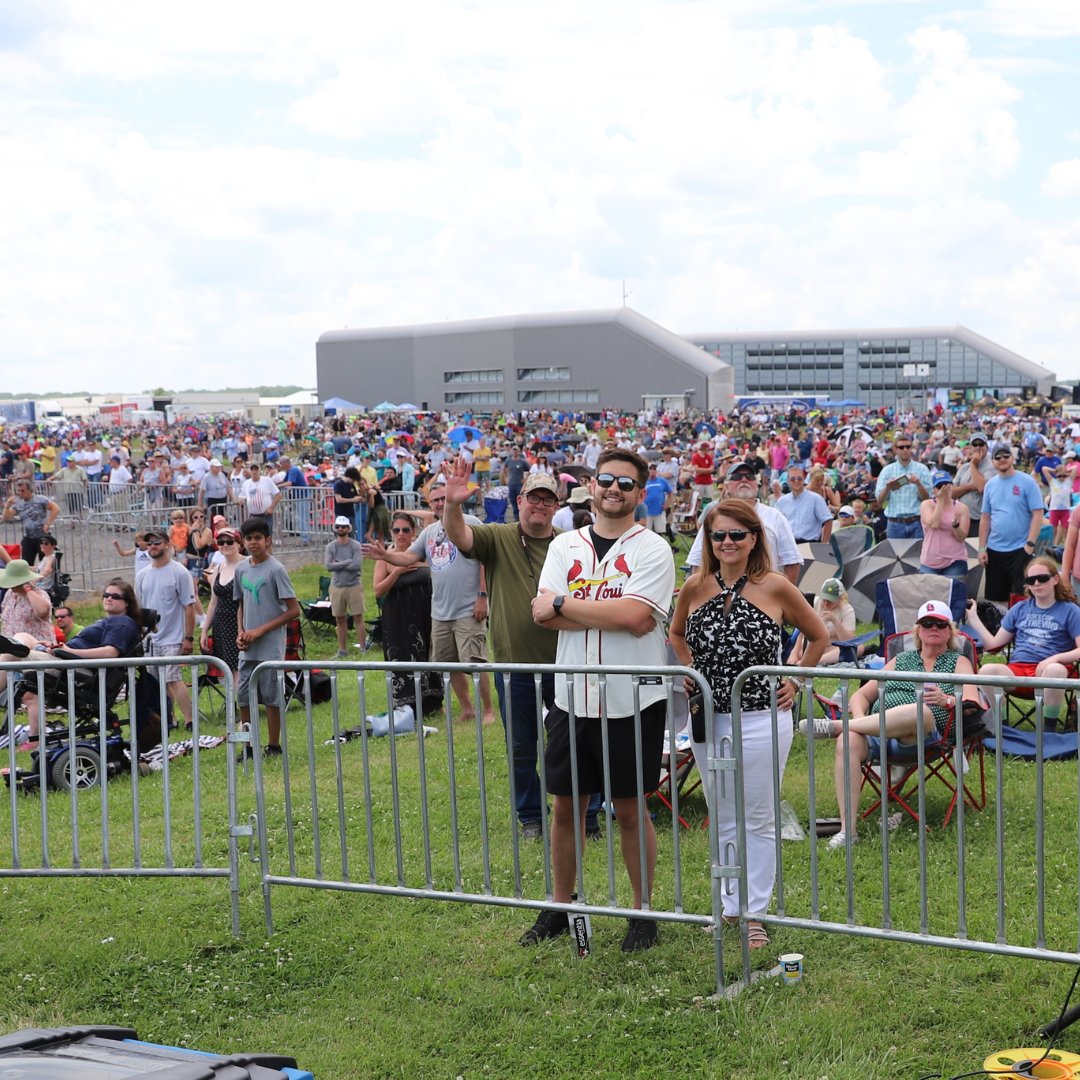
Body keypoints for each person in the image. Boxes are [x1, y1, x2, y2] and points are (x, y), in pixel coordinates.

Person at [524, 448, 675, 953]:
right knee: (565, 807)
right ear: (591, 484)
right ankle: (561, 906)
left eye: (626, 484)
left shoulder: (653, 548)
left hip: (632, 697)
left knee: (631, 810)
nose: (614, 489)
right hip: (570, 695)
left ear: (640, 493)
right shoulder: (565, 545)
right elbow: (540, 616)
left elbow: (638, 620)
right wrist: (602, 611)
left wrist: (567, 603)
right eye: (606, 480)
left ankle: (642, 911)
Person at [670, 498, 827, 948]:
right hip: (709, 718)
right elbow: (677, 634)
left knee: (757, 816)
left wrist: (796, 680)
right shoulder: (695, 586)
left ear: (755, 538)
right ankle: (728, 907)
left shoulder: (776, 586)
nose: (727, 542)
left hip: (763, 717)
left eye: (737, 534)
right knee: (722, 814)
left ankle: (754, 911)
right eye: (718, 535)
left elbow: (818, 636)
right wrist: (690, 672)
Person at [441, 461, 604, 843]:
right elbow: (460, 536)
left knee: (581, 743)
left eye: (548, 500)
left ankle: (590, 814)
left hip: (569, 664)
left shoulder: (571, 542)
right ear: (520, 500)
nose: (540, 506)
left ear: (556, 504)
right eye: (534, 498)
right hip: (515, 666)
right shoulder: (498, 537)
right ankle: (530, 815)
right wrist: (451, 504)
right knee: (521, 745)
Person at [802, 599, 980, 849]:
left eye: (940, 624)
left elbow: (971, 700)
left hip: (922, 738)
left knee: (920, 711)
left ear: (950, 630)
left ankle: (839, 726)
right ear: (918, 630)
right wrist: (859, 718)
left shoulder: (958, 662)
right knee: (848, 740)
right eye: (926, 623)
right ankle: (847, 831)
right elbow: (861, 695)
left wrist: (947, 699)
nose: (933, 628)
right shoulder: (901, 660)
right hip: (878, 736)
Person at [364, 481, 495, 724]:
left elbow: (484, 561)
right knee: (449, 665)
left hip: (468, 607)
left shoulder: (472, 524)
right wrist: (385, 555)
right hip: (440, 612)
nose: (439, 503)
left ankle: (488, 711)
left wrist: (482, 596)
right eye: (434, 500)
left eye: (443, 498)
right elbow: (408, 557)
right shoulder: (429, 532)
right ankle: (468, 709)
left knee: (476, 663)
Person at [7, 578, 144, 747]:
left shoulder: (121, 622)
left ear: (127, 603)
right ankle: (24, 648)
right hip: (65, 659)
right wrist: (56, 647)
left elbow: (111, 652)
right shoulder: (109, 621)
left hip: (74, 668)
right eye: (106, 594)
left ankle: (18, 651)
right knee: (22, 637)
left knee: (10, 654)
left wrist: (69, 651)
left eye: (115, 596)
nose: (108, 598)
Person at [965, 556, 1080, 732]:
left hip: (1053, 673)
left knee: (1054, 670)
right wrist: (973, 618)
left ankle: (1048, 731)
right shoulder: (1020, 608)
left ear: (1055, 579)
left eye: (1042, 578)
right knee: (987, 671)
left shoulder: (1070, 610)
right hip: (1018, 671)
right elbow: (993, 646)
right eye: (1030, 580)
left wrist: (1052, 660)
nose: (1036, 584)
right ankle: (1002, 730)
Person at [233, 517, 300, 759]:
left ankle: (273, 745)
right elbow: (240, 602)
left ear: (268, 540)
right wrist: (241, 631)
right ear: (243, 541)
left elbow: (293, 610)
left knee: (271, 697)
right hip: (247, 646)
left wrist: (261, 630)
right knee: (243, 696)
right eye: (249, 538)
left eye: (258, 538)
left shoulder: (276, 570)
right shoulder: (241, 569)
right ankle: (248, 746)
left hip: (270, 647)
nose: (253, 543)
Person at [687, 460, 803, 583]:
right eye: (736, 477)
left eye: (749, 476)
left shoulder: (774, 517)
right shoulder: (715, 516)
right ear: (727, 486)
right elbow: (698, 562)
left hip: (764, 595)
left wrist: (782, 599)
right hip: (723, 595)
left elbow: (791, 562)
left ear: (756, 484)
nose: (744, 480)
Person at [372, 512, 442, 713]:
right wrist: (397, 572)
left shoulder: (423, 553)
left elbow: (431, 515)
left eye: (405, 529)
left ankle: (434, 702)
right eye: (396, 530)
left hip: (425, 611)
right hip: (398, 615)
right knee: (402, 657)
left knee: (429, 653)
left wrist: (406, 511)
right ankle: (406, 703)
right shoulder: (386, 556)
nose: (401, 534)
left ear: (413, 532)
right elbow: (377, 590)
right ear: (391, 533)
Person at [135, 527, 197, 731]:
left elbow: (189, 606)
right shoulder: (142, 575)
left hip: (174, 636)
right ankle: (169, 719)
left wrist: (188, 637)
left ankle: (190, 720)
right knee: (156, 682)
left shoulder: (179, 572)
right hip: (150, 639)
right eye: (149, 543)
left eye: (157, 542)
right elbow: (139, 607)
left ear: (167, 544)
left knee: (172, 677)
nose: (152, 547)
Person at [979, 443, 1045, 603]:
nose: (1002, 460)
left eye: (1005, 456)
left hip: (1020, 549)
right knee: (996, 600)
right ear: (993, 461)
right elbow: (985, 517)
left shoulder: (1027, 481)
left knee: (1022, 597)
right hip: (995, 550)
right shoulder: (990, 485)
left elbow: (1038, 513)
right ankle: (999, 628)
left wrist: (1030, 544)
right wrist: (982, 548)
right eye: (998, 457)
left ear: (1012, 458)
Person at [0, 558, 56, 707]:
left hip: (35, 649)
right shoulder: (9, 596)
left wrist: (28, 589)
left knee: (16, 646)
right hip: (9, 648)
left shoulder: (39, 594)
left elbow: (43, 611)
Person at [199, 526, 245, 685]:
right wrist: (205, 629)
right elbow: (213, 602)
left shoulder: (246, 565)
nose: (225, 545)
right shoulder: (218, 568)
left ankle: (244, 704)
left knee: (240, 668)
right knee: (227, 668)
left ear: (239, 544)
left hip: (240, 624)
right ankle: (234, 705)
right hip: (221, 625)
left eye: (229, 541)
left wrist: (241, 629)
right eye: (221, 542)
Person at [788, 577, 856, 667]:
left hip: (832, 649)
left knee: (858, 648)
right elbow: (801, 633)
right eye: (824, 599)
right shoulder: (814, 603)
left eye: (830, 601)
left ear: (840, 598)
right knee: (802, 648)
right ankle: (810, 659)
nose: (826, 603)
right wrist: (793, 654)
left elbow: (848, 641)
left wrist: (835, 621)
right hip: (812, 647)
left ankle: (815, 661)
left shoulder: (847, 610)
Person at [875, 434, 931, 539]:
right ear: (895, 450)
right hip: (895, 523)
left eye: (908, 447)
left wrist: (918, 484)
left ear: (911, 449)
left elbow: (927, 499)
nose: (905, 450)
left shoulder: (922, 469)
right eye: (901, 447)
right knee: (896, 555)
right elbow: (879, 501)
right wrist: (888, 487)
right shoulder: (887, 470)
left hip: (917, 522)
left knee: (917, 555)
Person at [918, 472, 970, 581]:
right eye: (939, 487)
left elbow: (961, 538)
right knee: (929, 596)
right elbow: (934, 524)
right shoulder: (927, 504)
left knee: (953, 595)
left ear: (952, 486)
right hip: (930, 561)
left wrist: (955, 526)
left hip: (955, 559)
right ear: (934, 490)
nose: (944, 490)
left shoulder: (962, 508)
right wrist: (940, 500)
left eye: (947, 485)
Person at [325, 516, 365, 657]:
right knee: (339, 619)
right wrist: (347, 561)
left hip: (353, 585)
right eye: (338, 526)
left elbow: (356, 565)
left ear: (349, 528)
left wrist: (339, 563)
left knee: (358, 617)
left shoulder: (356, 545)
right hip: (337, 587)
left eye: (343, 527)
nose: (340, 529)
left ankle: (362, 648)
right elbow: (328, 566)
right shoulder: (330, 546)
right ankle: (342, 650)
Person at [2, 479, 59, 567]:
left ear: (29, 490)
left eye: (23, 491)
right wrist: (7, 507)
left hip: (43, 537)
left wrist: (48, 523)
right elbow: (6, 518)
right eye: (18, 491)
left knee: (46, 564)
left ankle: (46, 580)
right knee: (26, 565)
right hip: (28, 538)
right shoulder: (18, 503)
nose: (20, 493)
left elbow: (55, 508)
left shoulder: (40, 499)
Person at [774, 464, 833, 543]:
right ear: (788, 481)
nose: (796, 481)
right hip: (788, 544)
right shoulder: (781, 501)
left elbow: (828, 520)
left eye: (799, 478)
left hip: (809, 544)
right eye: (792, 479)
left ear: (804, 479)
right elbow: (775, 522)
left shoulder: (816, 499)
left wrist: (824, 543)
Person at [951, 434, 993, 539]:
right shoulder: (964, 467)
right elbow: (951, 493)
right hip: (962, 518)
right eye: (975, 444)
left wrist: (974, 464)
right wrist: (969, 487)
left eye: (981, 444)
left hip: (981, 519)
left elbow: (981, 487)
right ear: (970, 448)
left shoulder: (992, 466)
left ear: (986, 447)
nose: (978, 447)